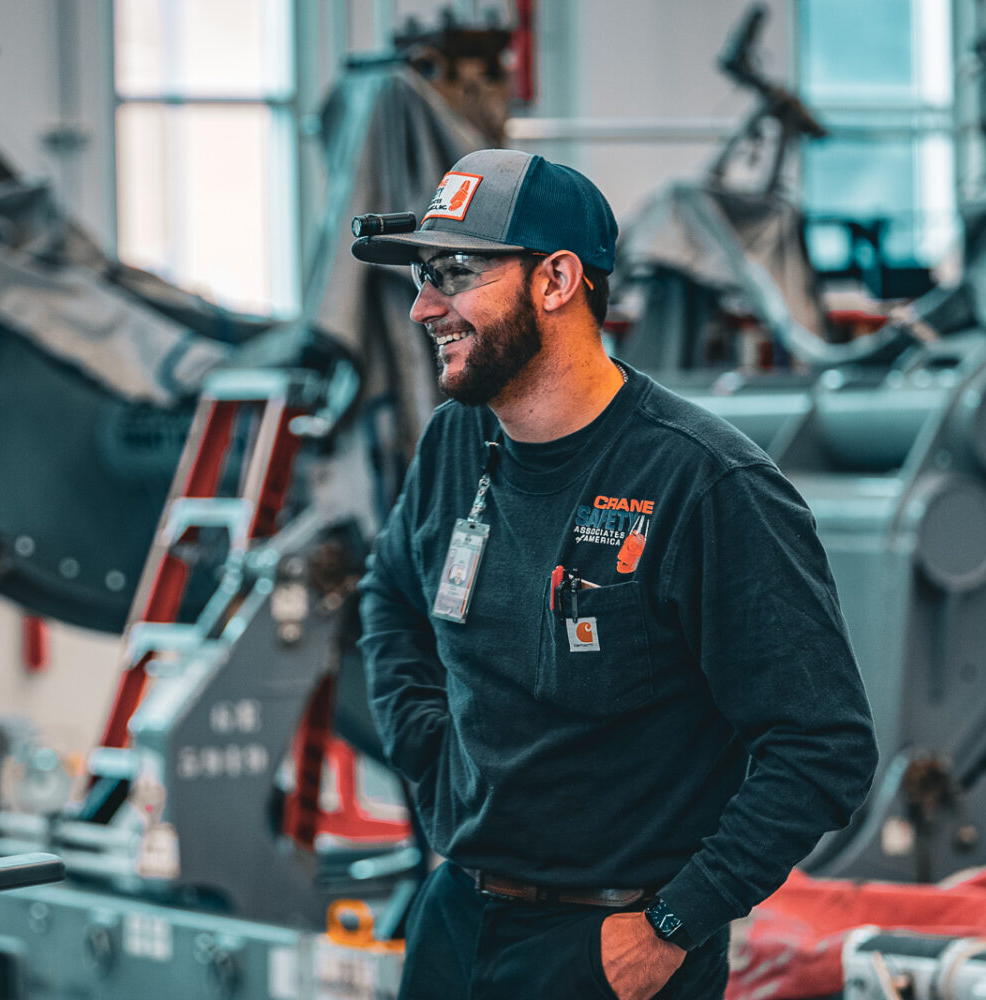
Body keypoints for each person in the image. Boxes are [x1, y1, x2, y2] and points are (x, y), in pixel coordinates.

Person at [353, 148, 877, 999]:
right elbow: (389, 598)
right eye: (421, 274)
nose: (423, 307)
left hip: (614, 946)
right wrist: (434, 760)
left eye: (453, 273)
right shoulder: (457, 443)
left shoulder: (703, 484)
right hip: (455, 915)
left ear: (556, 279)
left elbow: (823, 749)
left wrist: (673, 925)